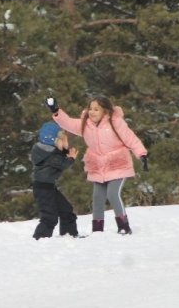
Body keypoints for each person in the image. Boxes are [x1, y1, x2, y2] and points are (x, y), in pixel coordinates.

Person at [46, 96, 148, 235]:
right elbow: (68, 123)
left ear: (105, 111)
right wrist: (56, 111)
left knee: (113, 194)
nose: (92, 112)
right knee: (97, 198)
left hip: (117, 164)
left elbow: (131, 139)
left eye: (96, 109)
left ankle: (124, 225)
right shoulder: (85, 124)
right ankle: (98, 229)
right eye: (90, 109)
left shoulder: (115, 123)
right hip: (98, 166)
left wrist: (141, 154)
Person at [31, 121, 80, 239]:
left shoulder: (47, 151)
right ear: (53, 140)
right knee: (49, 217)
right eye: (63, 140)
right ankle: (39, 239)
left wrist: (64, 149)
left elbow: (59, 156)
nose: (66, 143)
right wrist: (71, 158)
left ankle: (69, 235)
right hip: (43, 189)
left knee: (66, 210)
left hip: (48, 188)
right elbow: (62, 163)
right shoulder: (49, 155)